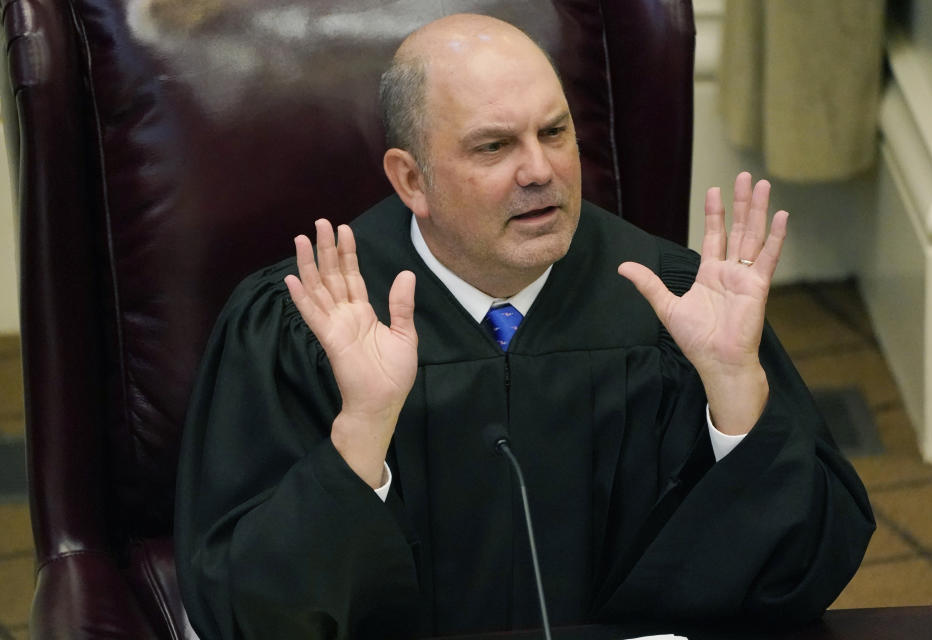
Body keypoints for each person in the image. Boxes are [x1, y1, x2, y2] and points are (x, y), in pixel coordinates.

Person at [175, 13, 874, 640]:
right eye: (493, 147)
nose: (540, 170)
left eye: (555, 131)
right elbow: (246, 616)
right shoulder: (304, 325)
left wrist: (735, 392)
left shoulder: (675, 305)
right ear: (411, 180)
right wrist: (362, 430)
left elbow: (810, 570)